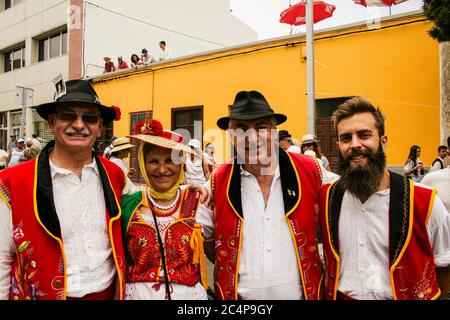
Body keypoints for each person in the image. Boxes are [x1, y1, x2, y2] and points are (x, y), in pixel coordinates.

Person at [0, 79, 127, 300]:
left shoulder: (115, 174)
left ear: (99, 128)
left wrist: (193, 191)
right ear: (51, 123)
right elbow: (2, 258)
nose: (79, 125)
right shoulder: (12, 182)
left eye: (89, 118)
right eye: (68, 115)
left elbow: (146, 206)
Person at [318, 96, 450, 300]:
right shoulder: (327, 198)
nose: (355, 144)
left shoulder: (425, 203)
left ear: (383, 140)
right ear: (338, 145)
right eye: (346, 138)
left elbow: (444, 267)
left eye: (364, 135)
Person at [203, 90, 327, 300]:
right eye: (241, 130)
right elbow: (191, 230)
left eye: (260, 127)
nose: (251, 137)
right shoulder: (216, 182)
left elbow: (351, 199)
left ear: (274, 131)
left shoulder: (312, 171)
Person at [120, 119, 210, 300]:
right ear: (143, 164)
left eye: (170, 160)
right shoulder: (128, 205)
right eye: (153, 161)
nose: (162, 169)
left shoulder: (198, 202)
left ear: (180, 164)